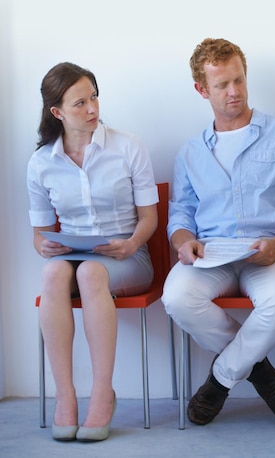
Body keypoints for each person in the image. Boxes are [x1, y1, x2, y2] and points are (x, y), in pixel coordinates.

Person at [161, 37, 275, 426]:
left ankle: (220, 379)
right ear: (201, 89)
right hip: (212, 254)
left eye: (239, 80)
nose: (234, 92)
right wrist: (184, 242)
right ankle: (259, 369)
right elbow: (180, 215)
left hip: (270, 253)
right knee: (176, 297)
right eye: (222, 85)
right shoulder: (190, 153)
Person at [27, 62, 158, 442]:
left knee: (90, 273)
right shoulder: (41, 163)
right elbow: (38, 236)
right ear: (57, 113)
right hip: (73, 254)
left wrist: (131, 243)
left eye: (94, 97)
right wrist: (46, 244)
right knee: (53, 272)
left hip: (127, 256)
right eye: (80, 102)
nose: (92, 108)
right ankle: (65, 396)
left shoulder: (128, 146)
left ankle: (103, 394)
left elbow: (149, 217)